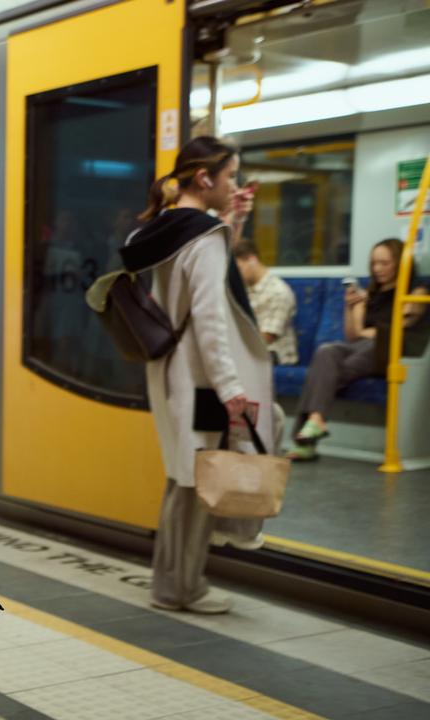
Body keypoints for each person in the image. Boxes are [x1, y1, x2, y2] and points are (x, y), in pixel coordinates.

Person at [130, 137, 272, 615]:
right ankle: (180, 588)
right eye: (230, 175)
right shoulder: (205, 235)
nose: (234, 183)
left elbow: (191, 288)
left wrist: (232, 223)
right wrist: (233, 390)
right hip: (204, 380)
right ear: (206, 179)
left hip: (173, 373)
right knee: (196, 483)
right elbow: (211, 318)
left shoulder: (166, 227)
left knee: (185, 479)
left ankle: (174, 583)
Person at [287, 238, 428, 461]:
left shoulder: (416, 292)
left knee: (327, 371)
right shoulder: (371, 294)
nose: (378, 269)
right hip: (363, 350)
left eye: (385, 263)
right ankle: (315, 420)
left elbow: (393, 329)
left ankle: (306, 441)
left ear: (400, 263)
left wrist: (368, 332)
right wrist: (352, 306)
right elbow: (353, 335)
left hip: (392, 352)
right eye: (374, 263)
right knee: (326, 350)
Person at [233, 241, 298, 365]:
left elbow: (267, 338)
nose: (236, 276)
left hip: (274, 354)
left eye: (238, 269)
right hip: (249, 349)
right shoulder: (244, 290)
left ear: (252, 260)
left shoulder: (278, 291)